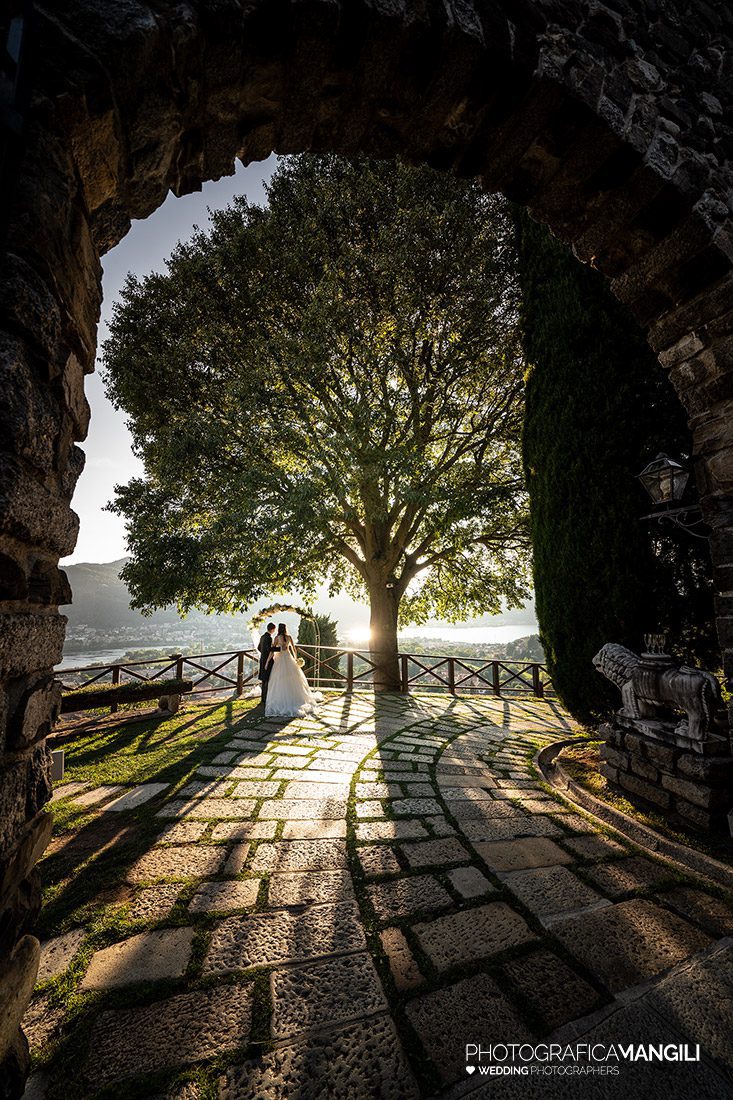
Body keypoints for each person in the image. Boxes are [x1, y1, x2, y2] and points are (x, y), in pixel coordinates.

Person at [265, 622, 323, 718]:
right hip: (288, 658)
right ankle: (296, 698)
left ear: (279, 629)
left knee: (280, 679)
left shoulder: (276, 638)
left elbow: (272, 651)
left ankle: (282, 699)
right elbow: (294, 649)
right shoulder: (289, 637)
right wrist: (296, 659)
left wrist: (267, 662)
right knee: (294, 678)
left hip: (280, 660)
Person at [257, 622, 276, 706]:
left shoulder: (262, 637)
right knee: (267, 679)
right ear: (272, 629)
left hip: (262, 659)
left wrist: (263, 653)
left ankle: (263, 698)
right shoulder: (269, 638)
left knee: (264, 680)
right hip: (268, 661)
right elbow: (270, 650)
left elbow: (259, 648)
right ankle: (265, 698)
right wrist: (279, 649)